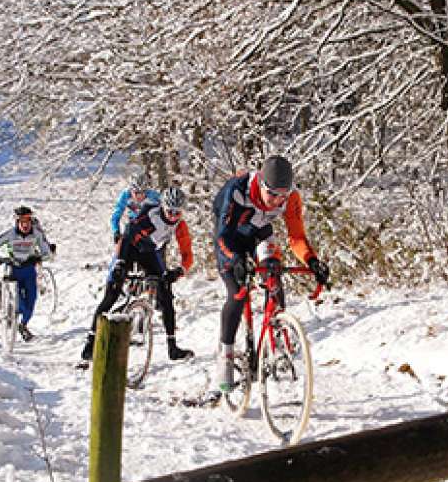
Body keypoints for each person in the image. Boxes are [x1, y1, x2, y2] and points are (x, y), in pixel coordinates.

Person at [210, 155, 330, 398]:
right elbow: (221, 236)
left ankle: (277, 339)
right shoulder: (237, 190)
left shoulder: (290, 198)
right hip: (230, 239)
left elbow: (296, 238)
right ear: (261, 184)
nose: (277, 201)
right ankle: (226, 354)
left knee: (274, 273)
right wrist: (235, 260)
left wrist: (312, 261)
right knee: (238, 293)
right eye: (272, 194)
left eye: (283, 196)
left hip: (261, 235)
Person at [83, 186, 194, 362]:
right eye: (170, 211)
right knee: (111, 294)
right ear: (163, 207)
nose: (173, 216)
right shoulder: (150, 216)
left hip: (149, 253)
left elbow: (187, 254)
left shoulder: (180, 226)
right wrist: (120, 263)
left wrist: (179, 271)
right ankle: (89, 343)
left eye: (177, 213)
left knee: (166, 294)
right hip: (130, 249)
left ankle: (172, 347)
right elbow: (126, 237)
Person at [0, 206, 54, 341]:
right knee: (20, 301)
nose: (25, 224)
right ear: (17, 222)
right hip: (14, 272)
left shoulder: (36, 234)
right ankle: (11, 315)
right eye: (22, 221)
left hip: (29, 271)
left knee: (31, 302)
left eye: (28, 220)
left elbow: (47, 253)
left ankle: (23, 325)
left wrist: (38, 257)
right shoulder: (10, 235)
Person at [109, 172, 160, 243]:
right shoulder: (126, 195)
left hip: (150, 228)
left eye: (142, 192)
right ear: (131, 190)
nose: (139, 196)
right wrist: (116, 231)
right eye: (136, 192)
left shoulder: (154, 196)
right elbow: (116, 215)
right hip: (133, 226)